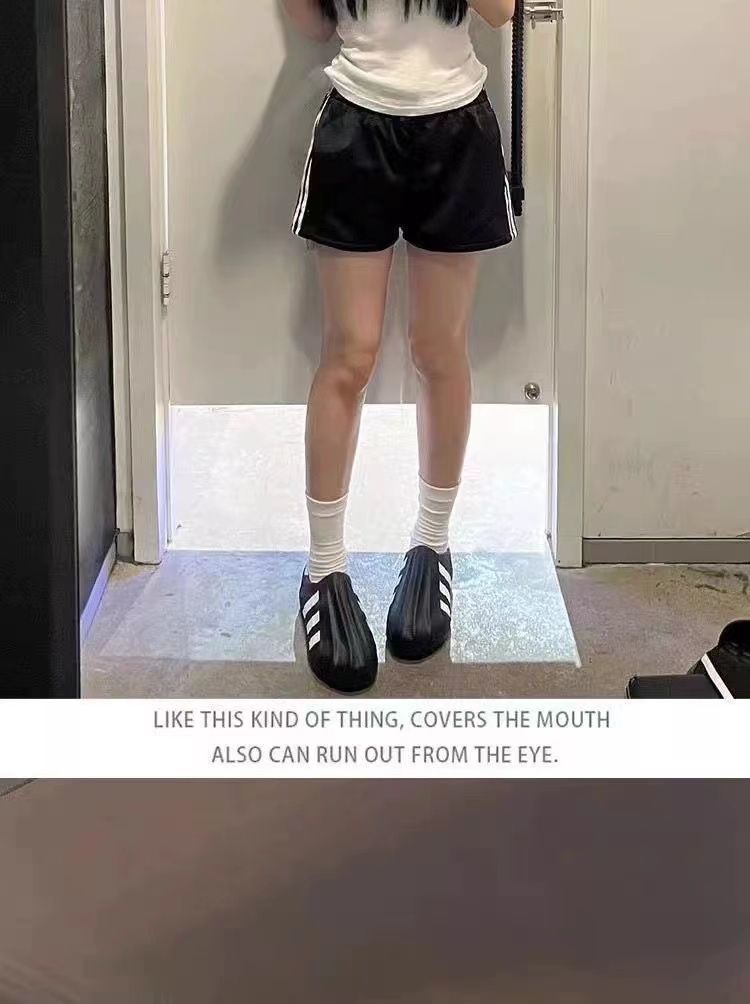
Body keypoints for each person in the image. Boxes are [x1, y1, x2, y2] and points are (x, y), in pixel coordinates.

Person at [282, 0, 517, 693]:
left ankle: (432, 544)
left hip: (457, 126)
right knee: (349, 354)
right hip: (357, 126)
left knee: (439, 350)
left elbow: (502, 11)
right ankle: (325, 567)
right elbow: (314, 25)